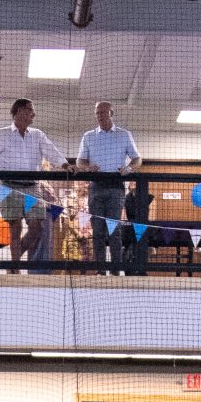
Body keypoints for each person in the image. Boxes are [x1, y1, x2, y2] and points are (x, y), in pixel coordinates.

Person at [0, 98, 64, 267]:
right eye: (30, 110)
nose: (34, 114)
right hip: (9, 186)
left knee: (37, 228)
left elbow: (51, 152)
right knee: (15, 228)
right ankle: (15, 268)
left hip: (33, 187)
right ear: (19, 111)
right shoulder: (2, 134)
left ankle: (13, 263)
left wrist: (65, 165)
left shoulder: (37, 135)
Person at [75, 101, 144, 273]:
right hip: (96, 186)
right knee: (97, 230)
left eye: (103, 112)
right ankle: (100, 270)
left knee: (115, 230)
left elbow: (137, 159)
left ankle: (115, 270)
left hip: (116, 187)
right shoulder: (88, 136)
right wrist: (88, 166)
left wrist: (129, 168)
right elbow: (79, 161)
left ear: (111, 113)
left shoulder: (124, 135)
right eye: (97, 113)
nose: (100, 116)